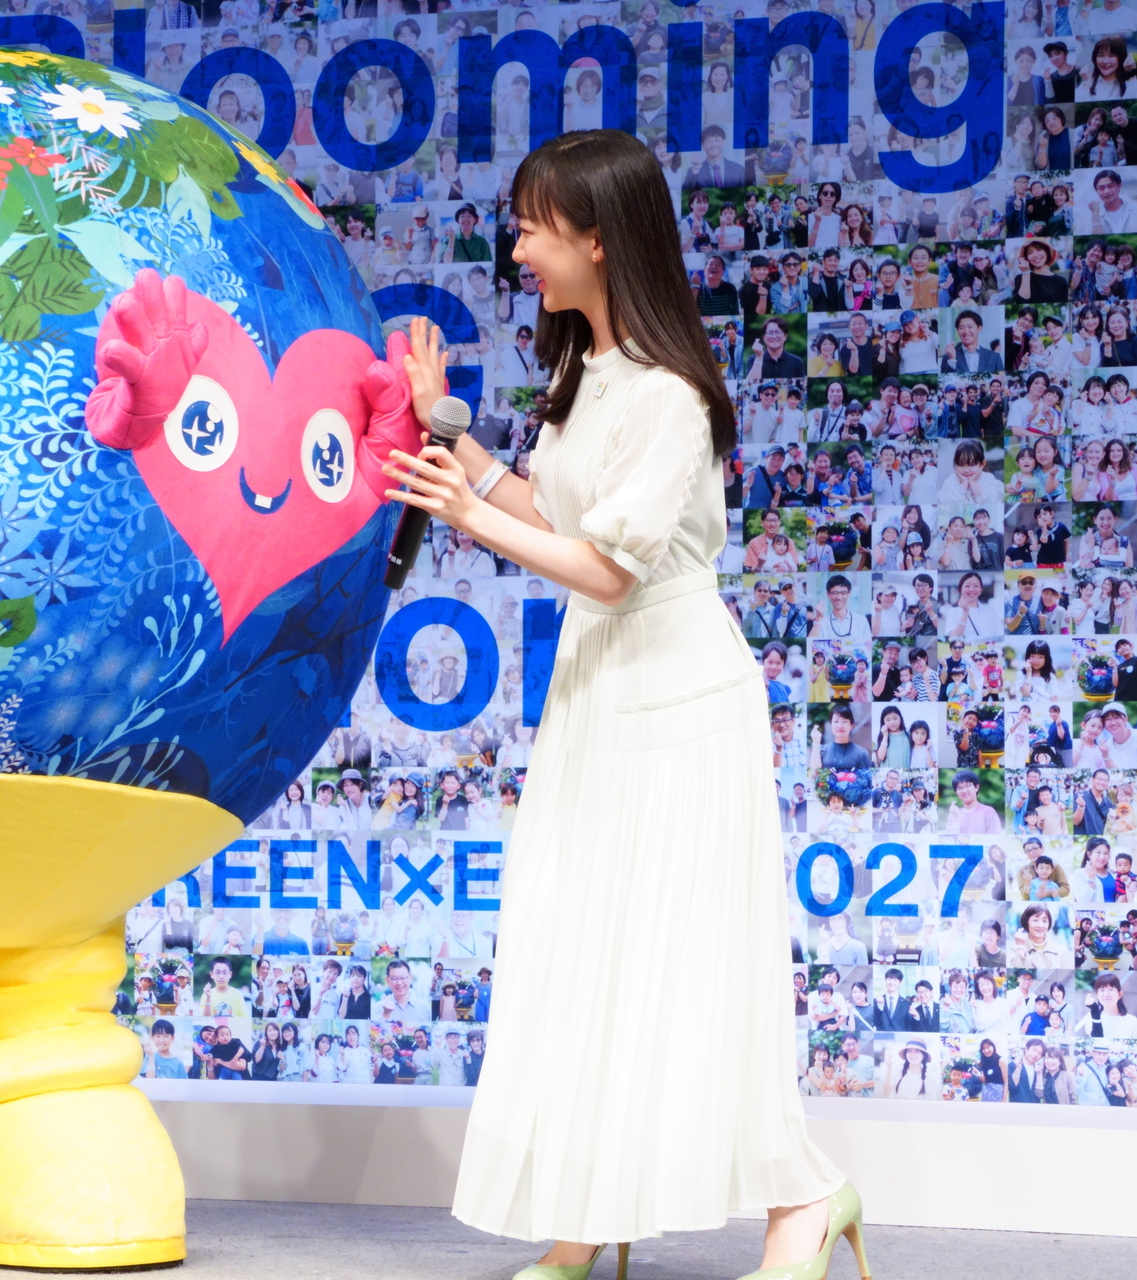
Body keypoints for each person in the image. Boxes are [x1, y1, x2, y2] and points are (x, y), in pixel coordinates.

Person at [386, 131, 855, 1277]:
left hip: (679, 695)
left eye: (534, 225)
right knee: (582, 948)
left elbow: (608, 567)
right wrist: (449, 427)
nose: (517, 247)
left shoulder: (673, 396)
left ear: (598, 236)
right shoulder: (585, 379)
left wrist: (465, 513)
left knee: (686, 961)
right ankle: (589, 1222)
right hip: (597, 692)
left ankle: (808, 1195)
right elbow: (554, 511)